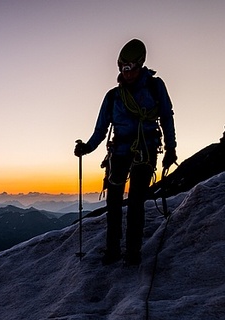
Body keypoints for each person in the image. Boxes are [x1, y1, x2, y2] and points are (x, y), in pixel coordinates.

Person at [75, 39, 177, 265]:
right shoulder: (113, 96)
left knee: (135, 201)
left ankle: (132, 251)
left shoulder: (154, 87)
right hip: (124, 151)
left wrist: (171, 147)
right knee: (114, 202)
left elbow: (166, 116)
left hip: (144, 150)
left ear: (140, 64)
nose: (127, 72)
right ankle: (114, 250)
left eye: (130, 67)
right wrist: (87, 147)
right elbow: (100, 129)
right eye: (123, 68)